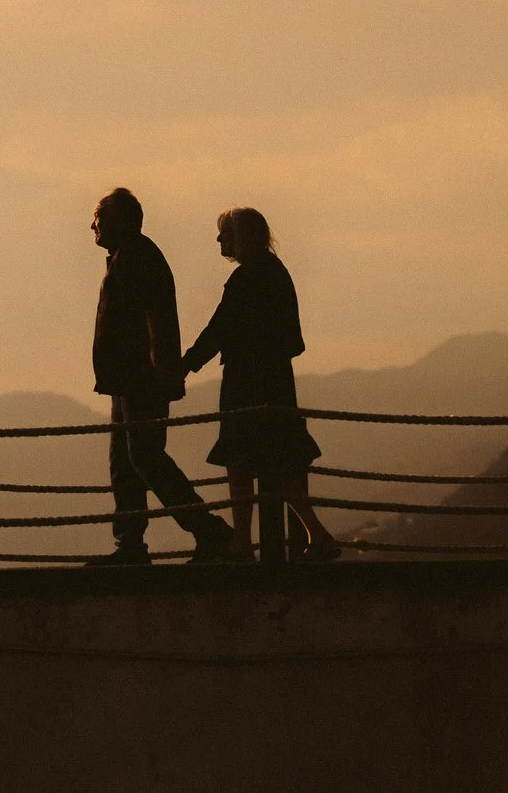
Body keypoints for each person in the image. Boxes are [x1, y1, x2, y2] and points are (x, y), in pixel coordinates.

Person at [87, 188, 238, 564]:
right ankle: (132, 545)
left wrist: (165, 372)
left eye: (99, 216)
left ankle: (209, 532)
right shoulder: (129, 256)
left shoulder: (137, 258)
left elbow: (157, 320)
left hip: (140, 380)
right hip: (129, 381)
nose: (92, 224)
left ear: (122, 219)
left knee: (143, 458)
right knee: (126, 462)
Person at [183, 206, 339, 562]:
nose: (219, 239)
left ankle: (243, 545)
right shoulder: (275, 273)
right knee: (278, 462)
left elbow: (219, 329)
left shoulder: (247, 278)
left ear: (241, 236)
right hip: (274, 380)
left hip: (247, 383)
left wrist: (186, 365)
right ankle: (313, 534)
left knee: (240, 462)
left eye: (224, 233)